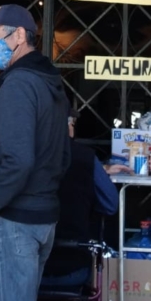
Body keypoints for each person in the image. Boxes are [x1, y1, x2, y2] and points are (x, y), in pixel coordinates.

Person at [0, 4, 71, 301]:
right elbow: (64, 155)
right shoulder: (49, 82)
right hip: (42, 217)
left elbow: (18, 159)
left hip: (14, 220)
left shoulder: (19, 84)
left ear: (20, 36)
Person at [40, 111, 119, 289]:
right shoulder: (86, 157)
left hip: (31, 270)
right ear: (69, 127)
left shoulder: (29, 156)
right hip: (75, 270)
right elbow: (111, 205)